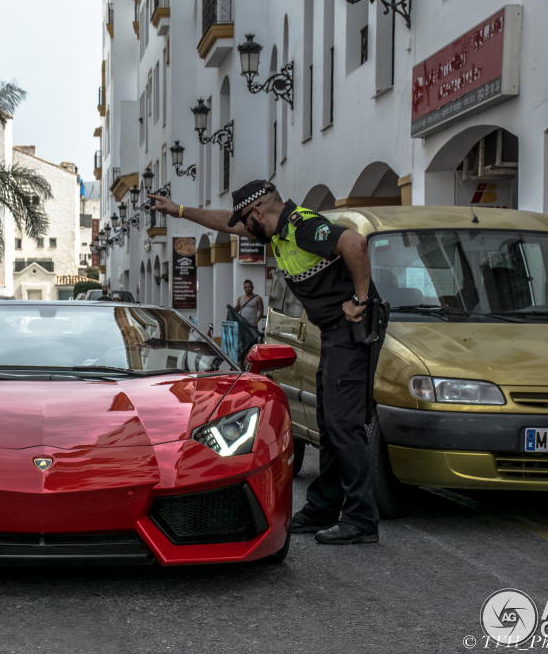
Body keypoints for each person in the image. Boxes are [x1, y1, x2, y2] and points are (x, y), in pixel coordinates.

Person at [149, 180, 382, 545]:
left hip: (351, 331)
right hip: (335, 335)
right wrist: (179, 210)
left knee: (343, 422)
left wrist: (360, 299)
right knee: (330, 421)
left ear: (258, 213)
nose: (243, 228)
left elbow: (355, 242)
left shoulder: (302, 225)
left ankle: (361, 519)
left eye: (247, 221)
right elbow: (226, 222)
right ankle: (323, 508)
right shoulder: (278, 232)